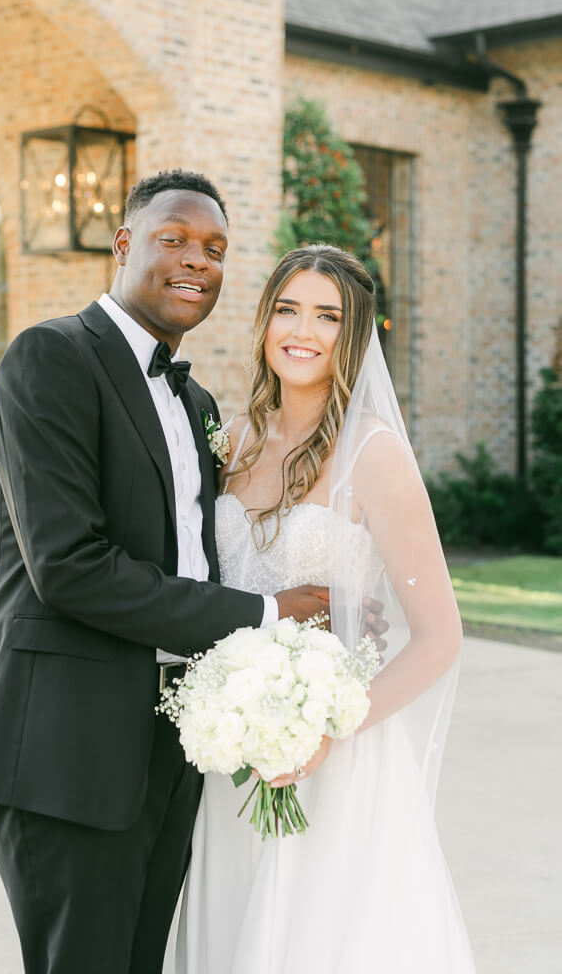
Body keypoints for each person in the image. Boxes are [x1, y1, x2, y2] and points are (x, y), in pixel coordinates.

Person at [0, 173, 367, 974]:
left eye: (214, 250)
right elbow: (70, 569)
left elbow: (199, 555)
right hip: (69, 748)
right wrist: (266, 613)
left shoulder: (199, 408)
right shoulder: (48, 359)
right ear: (124, 245)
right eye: (174, 239)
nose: (197, 261)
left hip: (178, 741)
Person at [164, 244, 476, 974]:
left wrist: (330, 731)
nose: (302, 330)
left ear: (354, 336)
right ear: (265, 321)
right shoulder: (230, 442)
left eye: (327, 315)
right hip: (231, 759)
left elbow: (439, 638)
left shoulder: (376, 455)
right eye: (287, 309)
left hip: (337, 761)